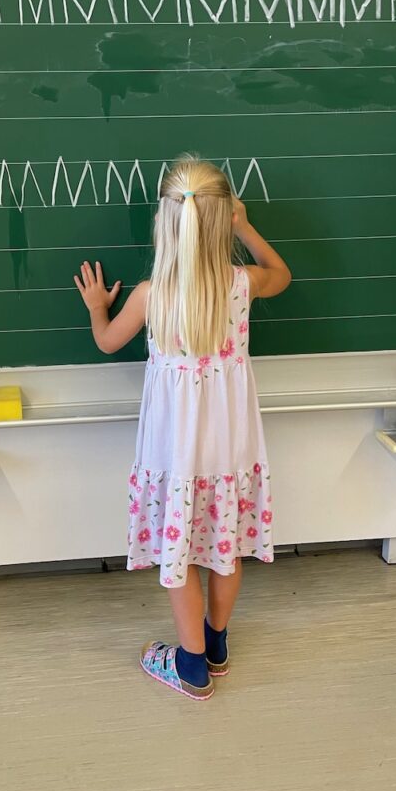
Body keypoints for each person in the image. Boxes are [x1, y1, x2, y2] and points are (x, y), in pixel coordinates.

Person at [74, 155, 291, 700]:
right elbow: (284, 274)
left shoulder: (151, 295)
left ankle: (189, 665)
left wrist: (100, 308)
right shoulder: (241, 284)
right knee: (225, 547)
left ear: (166, 224)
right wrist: (245, 226)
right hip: (230, 450)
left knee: (178, 552)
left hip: (175, 454)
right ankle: (215, 646)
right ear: (222, 221)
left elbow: (106, 342)